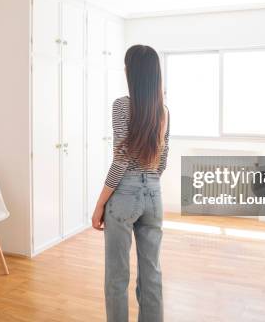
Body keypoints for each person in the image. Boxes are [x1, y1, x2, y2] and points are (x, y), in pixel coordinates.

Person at [92, 44, 170, 322]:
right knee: (152, 274)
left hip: (124, 196)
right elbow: (163, 160)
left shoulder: (122, 105)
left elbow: (121, 160)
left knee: (117, 275)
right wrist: (148, 182)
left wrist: (100, 204)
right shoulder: (164, 111)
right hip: (154, 195)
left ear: (131, 72)